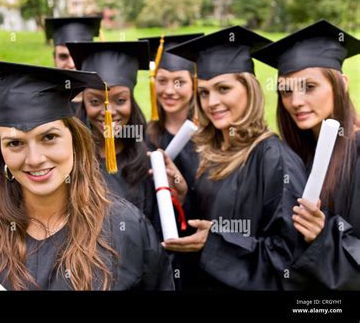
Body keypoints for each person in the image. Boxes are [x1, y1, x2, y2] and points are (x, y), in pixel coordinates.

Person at [0, 58, 174, 291]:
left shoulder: (126, 227)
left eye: (49, 137)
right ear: (0, 152)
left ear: (75, 142)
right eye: (15, 143)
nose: (35, 159)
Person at [164, 26, 307, 290]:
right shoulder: (211, 152)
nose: (211, 102)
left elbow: (288, 257)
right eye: (204, 92)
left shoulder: (274, 159)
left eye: (223, 88)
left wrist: (216, 242)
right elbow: (208, 221)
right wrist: (184, 197)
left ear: (249, 89)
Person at [253, 19, 360, 289]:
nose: (296, 101)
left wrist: (325, 236)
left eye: (309, 87)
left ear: (342, 84)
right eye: (286, 90)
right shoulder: (291, 154)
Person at [67, 41, 164, 225]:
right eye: (95, 102)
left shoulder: (148, 157)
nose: (108, 112)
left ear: (131, 102)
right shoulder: (71, 158)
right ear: (83, 103)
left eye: (120, 100)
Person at [141, 33, 202, 194]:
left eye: (179, 82)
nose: (169, 91)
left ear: (194, 84)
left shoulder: (210, 136)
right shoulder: (145, 135)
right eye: (162, 81)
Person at [45, 17, 102, 110]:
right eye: (63, 56)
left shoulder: (106, 104)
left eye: (78, 55)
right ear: (54, 58)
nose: (71, 64)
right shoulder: (44, 104)